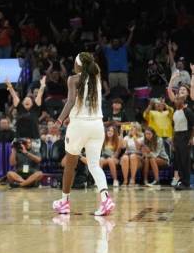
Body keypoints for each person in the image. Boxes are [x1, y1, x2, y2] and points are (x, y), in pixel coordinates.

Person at [52, 52, 115, 216]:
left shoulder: (73, 79)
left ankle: (64, 202)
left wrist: (59, 121)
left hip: (79, 125)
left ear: (78, 65)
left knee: (70, 165)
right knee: (94, 165)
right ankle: (106, 198)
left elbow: (71, 101)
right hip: (96, 125)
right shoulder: (97, 79)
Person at [171, 95, 194, 190]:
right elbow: (174, 127)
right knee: (179, 160)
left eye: (177, 100)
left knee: (185, 160)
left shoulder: (187, 111)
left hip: (185, 137)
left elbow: (193, 126)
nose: (175, 101)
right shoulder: (175, 112)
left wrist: (191, 138)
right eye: (175, 100)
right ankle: (181, 181)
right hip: (177, 137)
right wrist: (173, 141)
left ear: (182, 101)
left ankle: (186, 183)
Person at [120, 123, 144, 187]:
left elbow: (138, 147)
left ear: (137, 129)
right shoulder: (126, 137)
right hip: (128, 156)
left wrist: (134, 136)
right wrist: (121, 133)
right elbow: (122, 146)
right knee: (125, 157)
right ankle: (125, 180)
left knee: (132, 156)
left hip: (138, 157)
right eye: (130, 127)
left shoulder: (142, 137)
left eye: (133, 127)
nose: (131, 129)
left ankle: (132, 179)